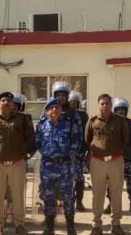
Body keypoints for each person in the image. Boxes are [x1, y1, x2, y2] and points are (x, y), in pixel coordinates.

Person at [0, 92, 35, 235]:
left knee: (18, 196)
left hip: (17, 163)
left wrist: (26, 155)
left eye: (9, 101)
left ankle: (19, 224)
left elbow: (30, 138)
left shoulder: (22, 119)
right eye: (3, 100)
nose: (6, 103)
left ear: (13, 104)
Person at [35, 98, 81, 235]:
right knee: (48, 196)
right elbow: (37, 143)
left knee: (68, 196)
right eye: (51, 108)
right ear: (47, 111)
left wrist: (68, 156)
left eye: (57, 107)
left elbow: (77, 141)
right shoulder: (41, 125)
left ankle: (70, 226)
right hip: (48, 165)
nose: (54, 109)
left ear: (61, 110)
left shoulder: (69, 124)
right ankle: (49, 227)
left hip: (65, 165)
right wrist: (49, 155)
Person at [86, 94, 130, 235]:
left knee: (116, 193)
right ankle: (96, 225)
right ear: (98, 105)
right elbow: (87, 139)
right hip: (97, 161)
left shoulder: (120, 121)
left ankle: (116, 224)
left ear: (111, 105)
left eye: (107, 103)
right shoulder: (92, 121)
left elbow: (125, 139)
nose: (104, 106)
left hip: (115, 161)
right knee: (97, 193)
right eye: (102, 103)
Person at [52, 82, 88, 212]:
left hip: (73, 156)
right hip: (54, 157)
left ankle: (78, 202)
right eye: (58, 95)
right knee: (54, 182)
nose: (61, 98)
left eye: (63, 95)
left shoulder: (74, 113)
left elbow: (79, 135)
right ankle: (56, 209)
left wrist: (73, 153)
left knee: (77, 178)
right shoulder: (49, 111)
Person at [103, 97, 131, 215]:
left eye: (123, 109)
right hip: (113, 158)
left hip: (128, 158)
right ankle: (110, 204)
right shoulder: (110, 123)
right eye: (118, 109)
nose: (121, 112)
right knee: (111, 183)